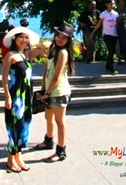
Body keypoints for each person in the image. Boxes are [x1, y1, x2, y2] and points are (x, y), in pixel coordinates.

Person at [2, 26, 45, 173]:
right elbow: (4, 79)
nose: (24, 40)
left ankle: (18, 157)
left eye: (26, 38)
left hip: (27, 96)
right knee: (15, 126)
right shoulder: (11, 56)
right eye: (21, 37)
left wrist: (32, 39)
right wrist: (7, 97)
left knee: (24, 126)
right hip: (16, 96)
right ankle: (10, 159)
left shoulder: (26, 55)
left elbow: (42, 49)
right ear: (15, 39)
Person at [33, 21, 75, 163]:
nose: (59, 39)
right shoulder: (53, 48)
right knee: (48, 117)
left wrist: (48, 93)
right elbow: (46, 70)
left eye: (63, 37)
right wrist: (43, 88)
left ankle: (61, 151)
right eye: (58, 35)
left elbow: (56, 75)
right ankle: (48, 141)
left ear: (68, 40)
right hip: (50, 90)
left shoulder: (63, 52)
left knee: (60, 121)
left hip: (59, 92)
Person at [91, 0, 119, 75]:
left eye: (113, 3)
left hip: (115, 34)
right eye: (111, 3)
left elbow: (117, 24)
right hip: (106, 34)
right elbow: (98, 24)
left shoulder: (116, 14)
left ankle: (107, 65)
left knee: (112, 52)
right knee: (111, 51)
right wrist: (92, 33)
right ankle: (112, 69)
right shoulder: (103, 14)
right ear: (106, 4)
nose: (112, 5)